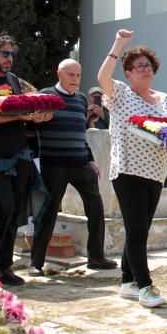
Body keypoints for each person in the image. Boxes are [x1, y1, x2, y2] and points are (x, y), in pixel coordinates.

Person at [0, 34, 53, 287]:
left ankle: (5, 266)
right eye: (5, 54)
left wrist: (38, 115)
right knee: (1, 209)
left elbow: (29, 107)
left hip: (19, 155)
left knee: (14, 211)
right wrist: (21, 118)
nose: (9, 59)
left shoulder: (14, 81)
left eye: (12, 55)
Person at [97, 30, 167, 309]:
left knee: (139, 230)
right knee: (138, 230)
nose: (145, 69)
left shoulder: (164, 98)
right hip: (128, 170)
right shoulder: (119, 93)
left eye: (148, 65)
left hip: (156, 171)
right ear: (128, 73)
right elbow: (102, 77)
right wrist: (118, 44)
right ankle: (145, 286)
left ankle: (127, 282)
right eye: (138, 66)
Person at [30, 59, 117, 277]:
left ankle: (96, 257)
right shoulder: (46, 95)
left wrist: (90, 159)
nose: (75, 80)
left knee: (96, 208)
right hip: (54, 165)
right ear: (59, 74)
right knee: (48, 213)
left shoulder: (80, 100)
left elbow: (81, 132)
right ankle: (36, 263)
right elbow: (33, 124)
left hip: (80, 163)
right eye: (71, 75)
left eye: (78, 76)